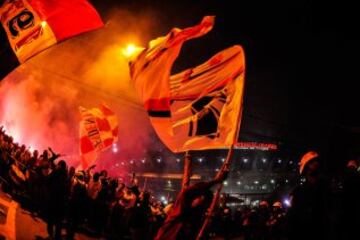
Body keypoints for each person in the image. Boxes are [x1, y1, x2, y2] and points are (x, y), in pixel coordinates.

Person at [154, 168, 229, 240]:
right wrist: (216, 181)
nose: (202, 204)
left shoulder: (196, 215)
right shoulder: (180, 210)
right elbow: (189, 191)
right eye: (202, 200)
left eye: (205, 203)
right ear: (196, 197)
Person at [286, 151, 331, 240]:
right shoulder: (298, 192)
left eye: (317, 161)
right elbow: (293, 220)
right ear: (306, 167)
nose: (316, 163)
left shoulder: (327, 187)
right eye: (312, 162)